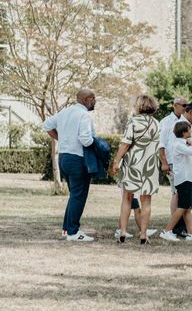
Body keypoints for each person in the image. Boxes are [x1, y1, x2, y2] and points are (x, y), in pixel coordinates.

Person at [43, 88, 97, 242]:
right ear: (86, 100)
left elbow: (47, 125)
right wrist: (99, 144)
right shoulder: (84, 115)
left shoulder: (65, 112)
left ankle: (67, 230)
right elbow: (85, 139)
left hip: (64, 157)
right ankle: (73, 232)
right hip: (78, 159)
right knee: (79, 196)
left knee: (74, 195)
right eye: (93, 98)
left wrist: (62, 139)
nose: (95, 101)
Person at [110, 94, 161, 244]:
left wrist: (116, 161)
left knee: (127, 198)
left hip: (133, 164)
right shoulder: (157, 124)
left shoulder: (133, 122)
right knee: (146, 201)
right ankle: (144, 234)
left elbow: (125, 144)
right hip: (150, 165)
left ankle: (123, 232)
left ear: (139, 106)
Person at [159, 121, 192, 241]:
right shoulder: (178, 145)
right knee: (183, 206)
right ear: (184, 132)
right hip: (183, 179)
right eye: (189, 130)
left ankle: (190, 232)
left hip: (189, 178)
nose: (191, 132)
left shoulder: (185, 144)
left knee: (188, 206)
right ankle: (167, 230)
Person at [158, 97, 188, 235]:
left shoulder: (184, 121)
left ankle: (180, 226)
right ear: (175, 105)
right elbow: (161, 144)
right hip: (171, 162)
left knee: (181, 194)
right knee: (176, 193)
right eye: (184, 105)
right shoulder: (165, 122)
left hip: (182, 162)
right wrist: (164, 163)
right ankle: (175, 227)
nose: (185, 108)